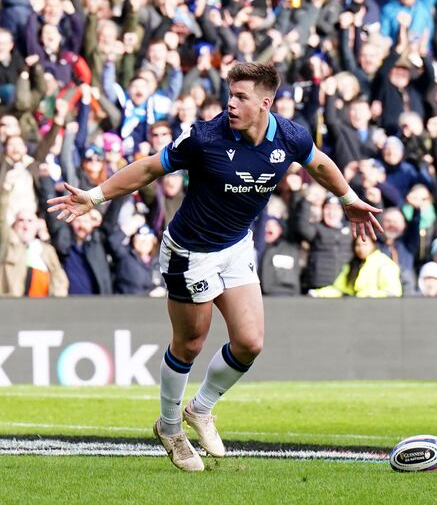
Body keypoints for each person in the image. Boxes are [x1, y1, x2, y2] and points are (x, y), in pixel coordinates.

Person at [47, 62, 383, 472]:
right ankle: (169, 427)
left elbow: (318, 163)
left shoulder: (290, 135)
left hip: (236, 245)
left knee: (250, 342)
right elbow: (152, 167)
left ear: (265, 102)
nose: (231, 104)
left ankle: (199, 409)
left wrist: (348, 199)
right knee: (190, 343)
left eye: (241, 97)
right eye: (230, 94)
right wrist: (95, 197)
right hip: (190, 251)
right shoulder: (206, 137)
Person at [308, 235, 402, 298]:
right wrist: (318, 293)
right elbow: (339, 289)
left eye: (365, 245)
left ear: (373, 245)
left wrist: (368, 296)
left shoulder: (384, 264)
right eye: (358, 245)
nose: (361, 248)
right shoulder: (353, 265)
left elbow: (392, 292)